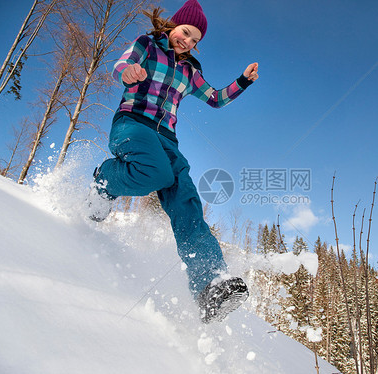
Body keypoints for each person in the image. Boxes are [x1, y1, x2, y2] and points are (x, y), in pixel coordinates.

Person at [87, 0, 259, 323]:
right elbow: (121, 65)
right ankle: (105, 178)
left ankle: (209, 283)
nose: (188, 42)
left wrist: (243, 81)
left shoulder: (189, 72)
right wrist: (130, 72)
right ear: (173, 25)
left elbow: (216, 98)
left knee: (186, 197)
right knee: (156, 171)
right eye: (186, 33)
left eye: (195, 40)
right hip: (131, 124)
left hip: (167, 139)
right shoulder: (148, 46)